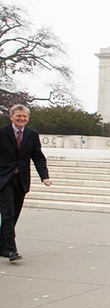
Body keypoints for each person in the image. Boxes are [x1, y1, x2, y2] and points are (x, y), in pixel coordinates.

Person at [0, 105, 52, 261]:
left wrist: (44, 176)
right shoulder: (2, 133)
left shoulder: (31, 135)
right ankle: (11, 250)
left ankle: (2, 245)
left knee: (14, 213)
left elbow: (38, 156)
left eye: (24, 117)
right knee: (8, 213)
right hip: (3, 179)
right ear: (11, 116)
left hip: (21, 180)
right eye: (18, 116)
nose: (21, 119)